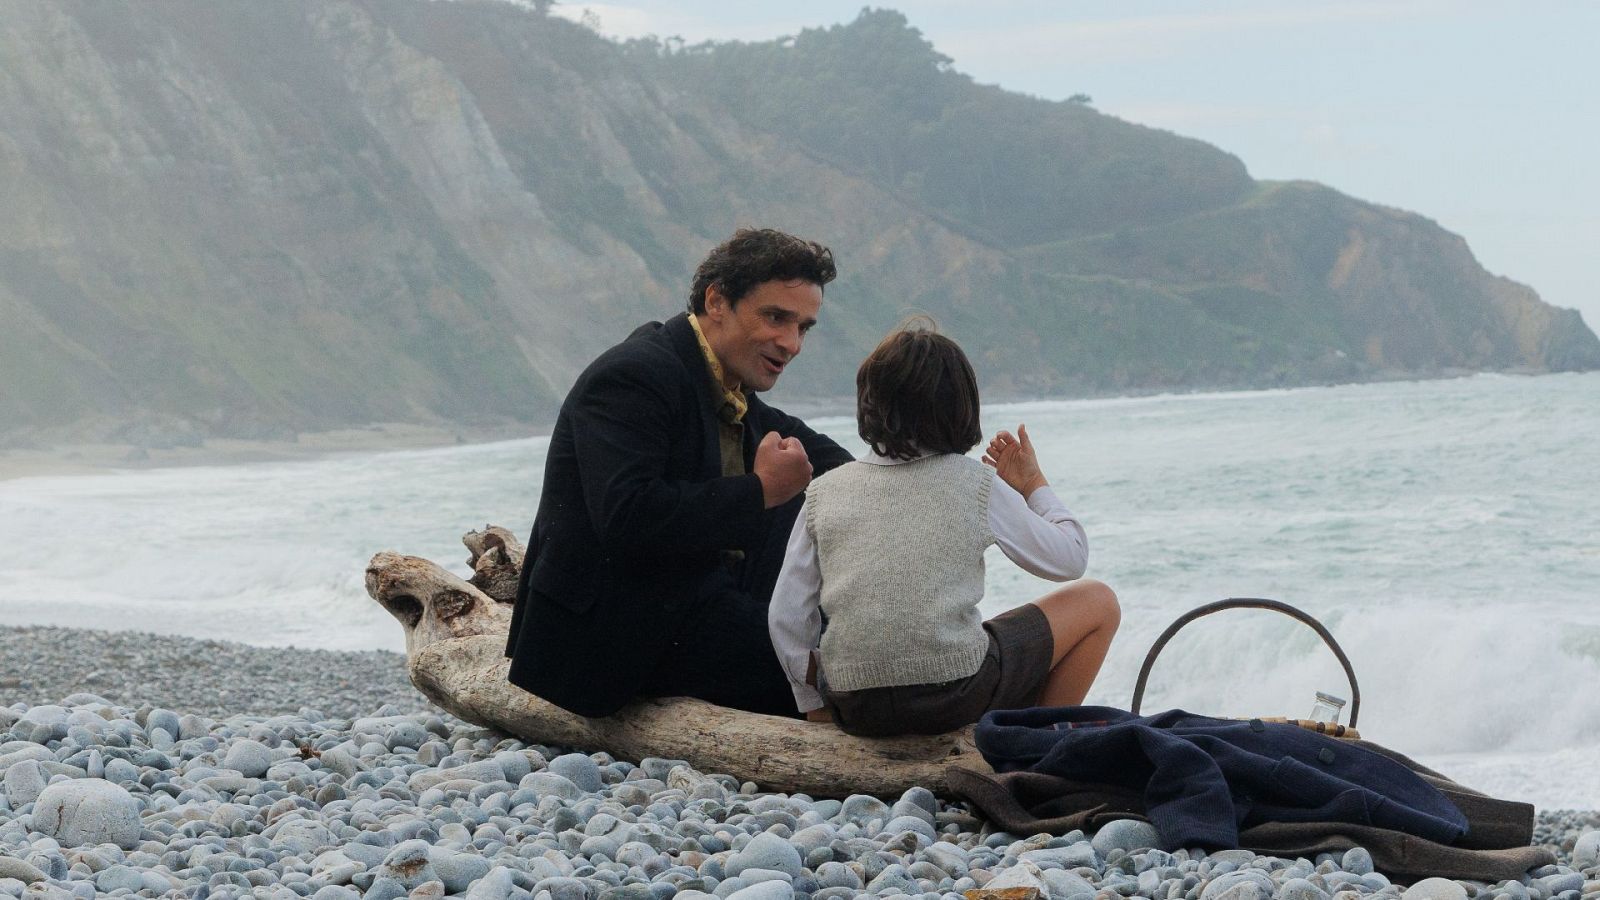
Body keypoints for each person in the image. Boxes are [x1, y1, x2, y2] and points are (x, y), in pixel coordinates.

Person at [506, 228, 853, 718]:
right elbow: (628, 518)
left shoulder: (729, 388)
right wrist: (760, 490)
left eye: (803, 327)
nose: (791, 343)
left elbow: (839, 468)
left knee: (823, 505)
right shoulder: (632, 376)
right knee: (833, 672)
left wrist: (922, 484)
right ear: (717, 301)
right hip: (615, 635)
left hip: (691, 599)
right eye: (776, 317)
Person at [768, 321, 1121, 736]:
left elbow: (786, 617)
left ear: (868, 403)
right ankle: (1039, 742)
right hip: (955, 694)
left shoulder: (822, 493)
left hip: (857, 705)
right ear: (961, 406)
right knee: (1098, 601)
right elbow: (1070, 559)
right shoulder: (974, 483)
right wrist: (1032, 486)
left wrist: (816, 705)